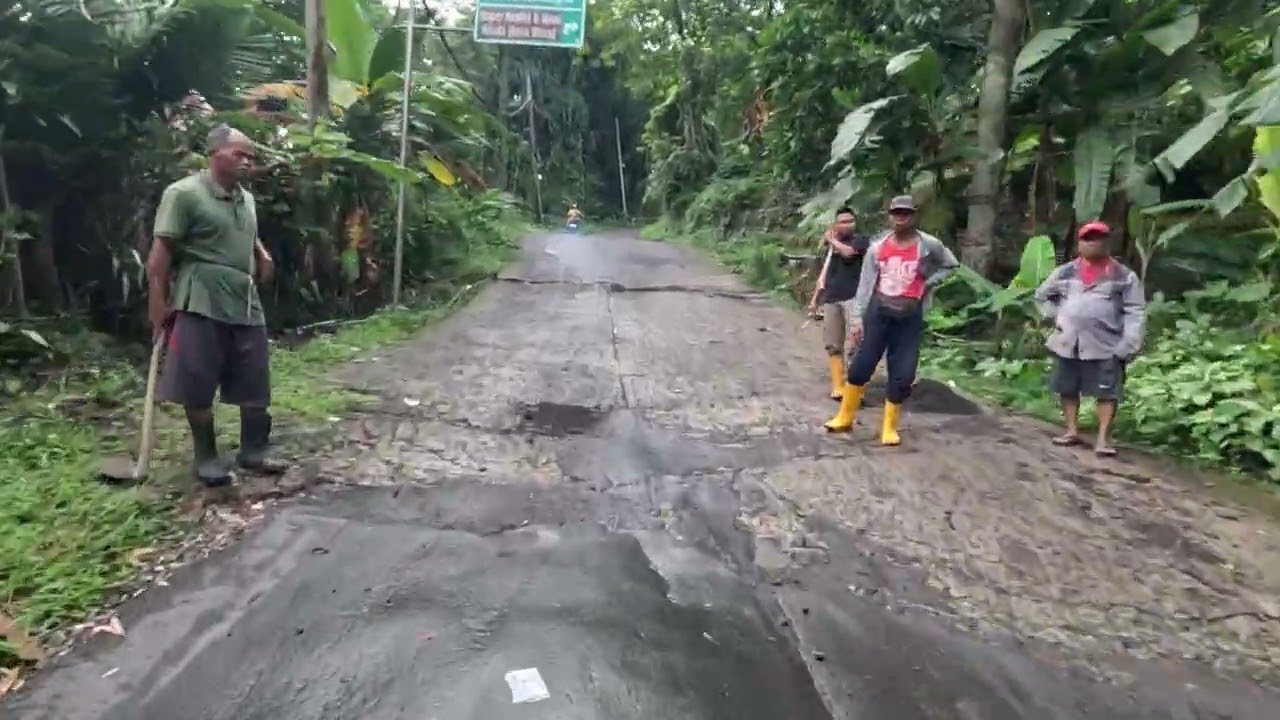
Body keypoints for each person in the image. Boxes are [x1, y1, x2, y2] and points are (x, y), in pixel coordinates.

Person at [146, 125, 286, 486]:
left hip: (245, 297)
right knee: (197, 377)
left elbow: (248, 236)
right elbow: (160, 259)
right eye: (240, 154)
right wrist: (158, 305)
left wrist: (261, 255)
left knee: (255, 376)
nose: (247, 162)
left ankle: (253, 451)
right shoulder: (184, 194)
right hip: (201, 296)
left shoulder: (247, 199)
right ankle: (206, 457)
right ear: (214, 153)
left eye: (251, 157)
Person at [824, 195, 959, 445]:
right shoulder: (878, 247)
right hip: (879, 312)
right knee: (861, 366)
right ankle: (844, 416)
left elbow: (951, 265)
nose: (900, 217)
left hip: (909, 316)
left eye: (905, 213)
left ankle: (889, 427)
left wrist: (927, 283)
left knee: (902, 374)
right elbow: (865, 286)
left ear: (914, 215)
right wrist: (857, 320)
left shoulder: (928, 245)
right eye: (896, 213)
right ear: (890, 216)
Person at [1033, 221, 1146, 457]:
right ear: (1080, 244)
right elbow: (1042, 296)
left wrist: (1130, 341)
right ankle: (1071, 430)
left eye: (1099, 238)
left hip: (1106, 344)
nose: (1093, 243)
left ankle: (1103, 438)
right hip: (1068, 342)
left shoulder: (1124, 276)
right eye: (1088, 238)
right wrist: (1056, 315)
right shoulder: (1065, 272)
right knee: (1067, 387)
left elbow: (1135, 310)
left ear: (1108, 242)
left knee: (1107, 392)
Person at [806, 207, 869, 400]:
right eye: (843, 221)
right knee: (833, 344)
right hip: (832, 299)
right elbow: (824, 274)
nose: (848, 224)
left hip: (854, 299)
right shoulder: (830, 249)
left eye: (851, 221)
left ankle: (857, 390)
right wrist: (815, 299)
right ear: (835, 224)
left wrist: (831, 240)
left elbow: (849, 254)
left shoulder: (861, 241)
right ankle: (838, 386)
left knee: (858, 344)